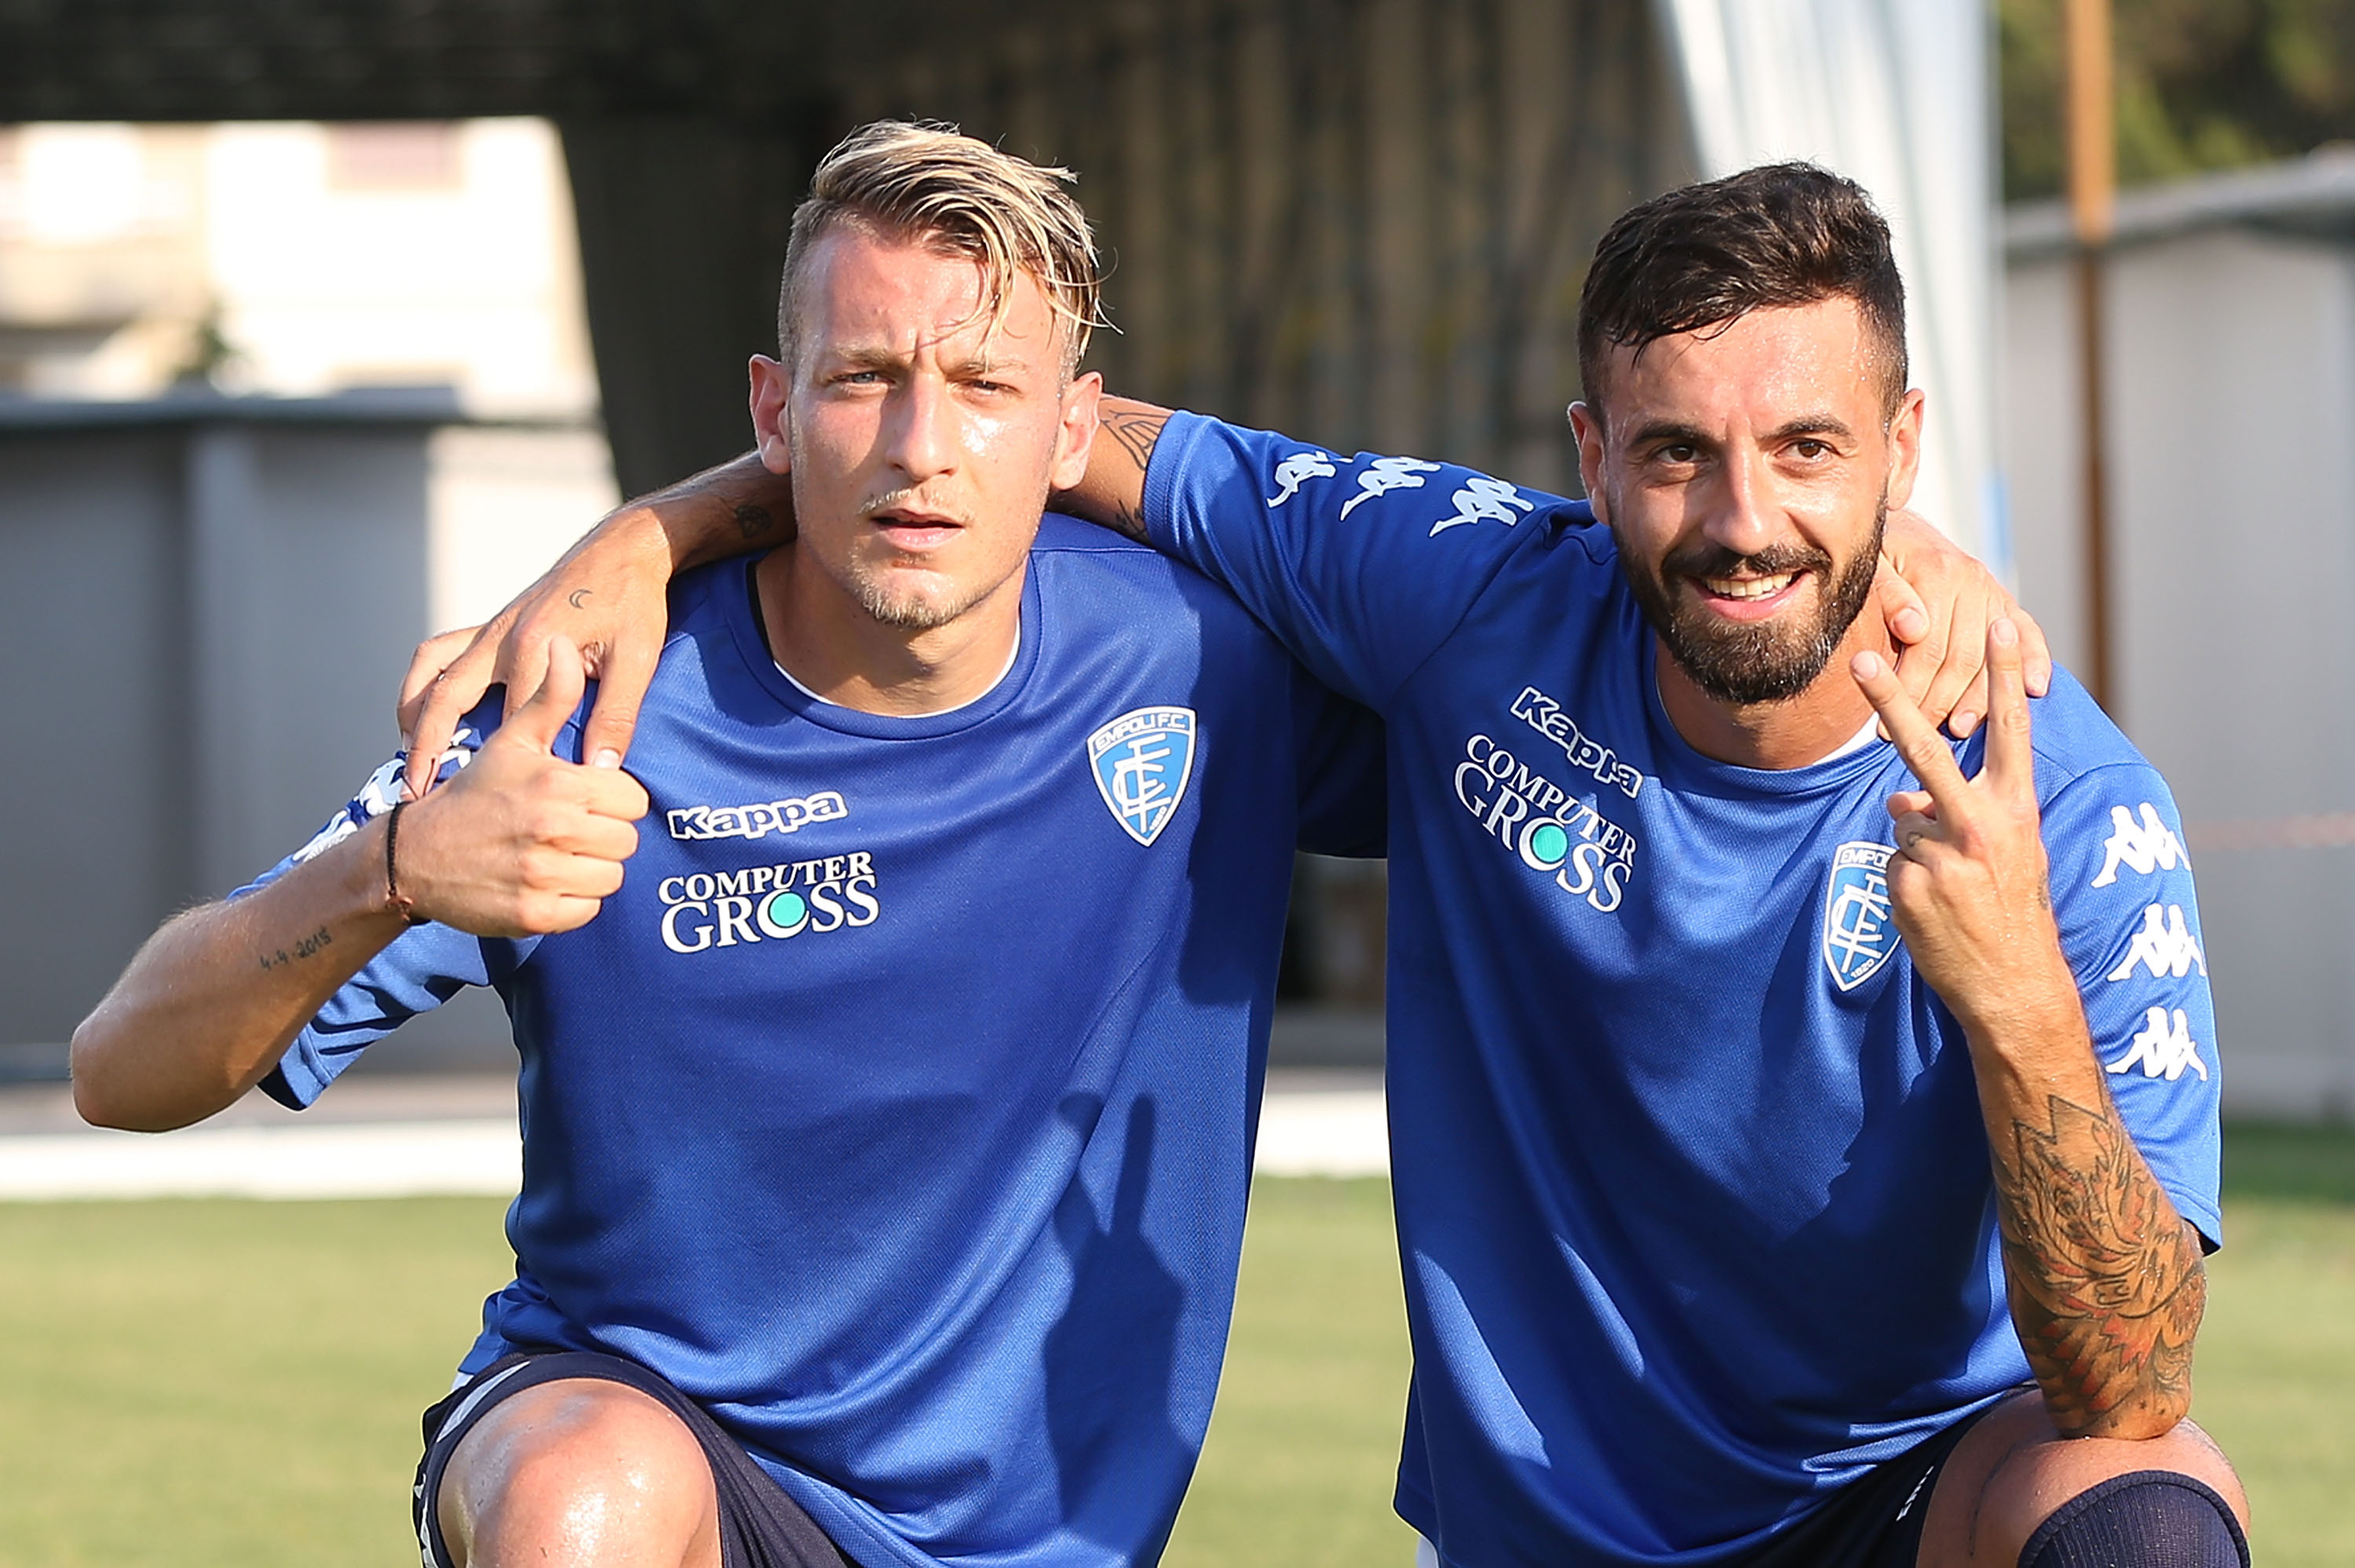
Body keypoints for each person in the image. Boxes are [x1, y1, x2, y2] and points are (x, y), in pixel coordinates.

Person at [418, 163, 2245, 1568]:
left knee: (2150, 1508)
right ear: (1592, 461)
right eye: (1682, 452)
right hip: (1559, 1535)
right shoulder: (1468, 599)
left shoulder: (2070, 811)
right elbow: (1024, 436)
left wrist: (2010, 993)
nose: (1747, 517)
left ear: (1901, 456)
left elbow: (2133, 1382)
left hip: (1906, 1499)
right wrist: (653, 532)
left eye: (1810, 450)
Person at [73, 122, 1393, 1568]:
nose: (919, 446)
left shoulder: (1196, 663)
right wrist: (392, 866)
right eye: (862, 378)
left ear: (1075, 432)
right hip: (668, 1454)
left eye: (983, 386)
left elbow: (1558, 721)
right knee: (585, 1498)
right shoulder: (578, 713)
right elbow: (122, 1066)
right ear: (775, 407)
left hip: (1036, 1537)